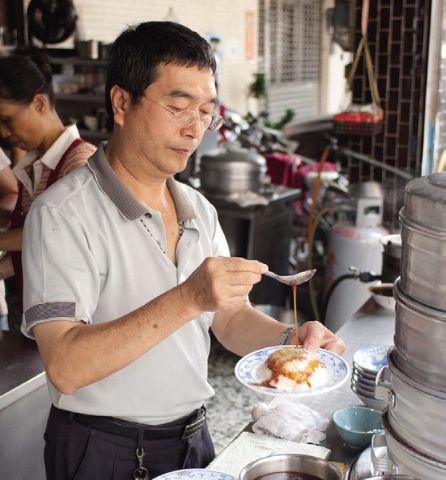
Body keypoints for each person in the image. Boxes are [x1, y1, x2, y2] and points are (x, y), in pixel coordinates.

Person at [21, 22, 345, 480]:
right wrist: (188, 296)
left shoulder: (198, 209)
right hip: (103, 449)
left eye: (206, 112)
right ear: (121, 102)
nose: (195, 129)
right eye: (178, 106)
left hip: (193, 439)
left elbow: (229, 318)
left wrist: (290, 345)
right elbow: (66, 367)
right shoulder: (62, 214)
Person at [0, 49, 97, 323]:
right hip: (41, 317)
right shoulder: (32, 168)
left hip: (76, 321)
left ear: (40, 103)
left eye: (7, 119)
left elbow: (53, 234)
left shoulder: (79, 162)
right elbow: (27, 252)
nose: (3, 132)